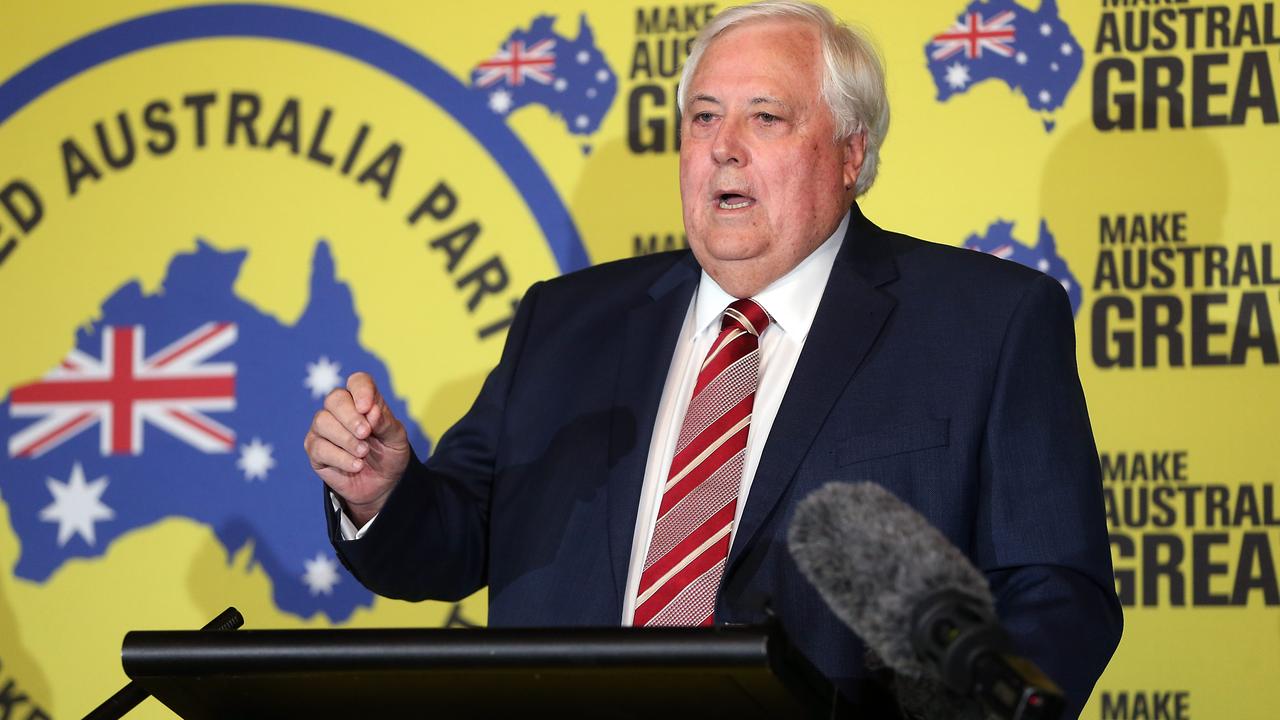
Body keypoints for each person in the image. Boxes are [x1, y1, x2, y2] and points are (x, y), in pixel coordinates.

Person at [304, 1, 1121, 714]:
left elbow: (1057, 593)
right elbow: (449, 544)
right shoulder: (565, 323)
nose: (723, 147)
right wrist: (385, 495)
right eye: (703, 116)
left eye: (766, 117)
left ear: (849, 154)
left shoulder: (986, 322)